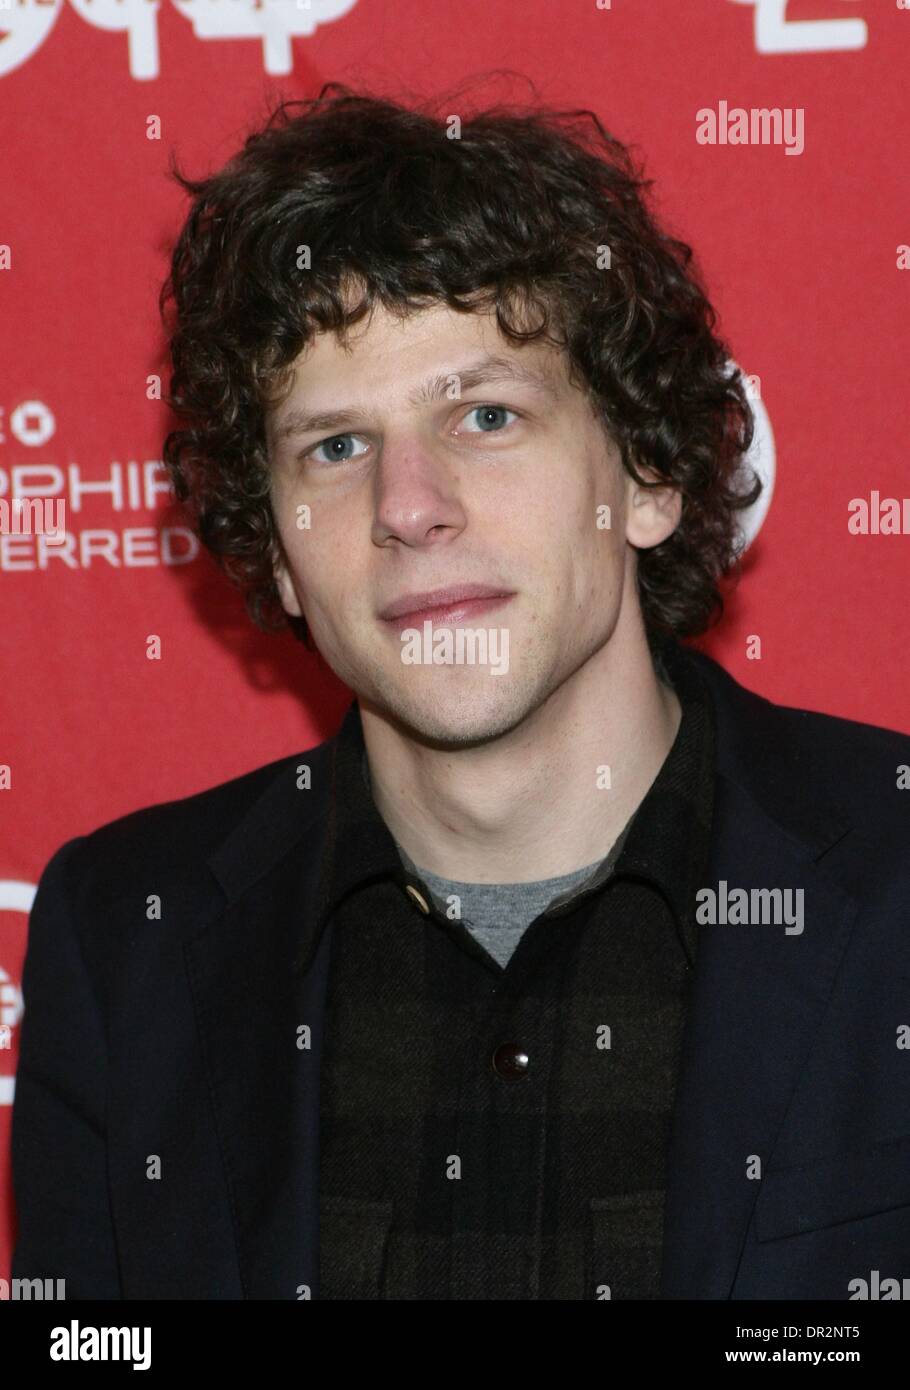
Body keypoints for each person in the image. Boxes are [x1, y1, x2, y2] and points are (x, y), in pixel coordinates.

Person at [11, 82, 910, 1300]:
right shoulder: (127, 945)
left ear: (650, 470)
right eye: (335, 446)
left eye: (485, 414)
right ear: (277, 550)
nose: (407, 505)